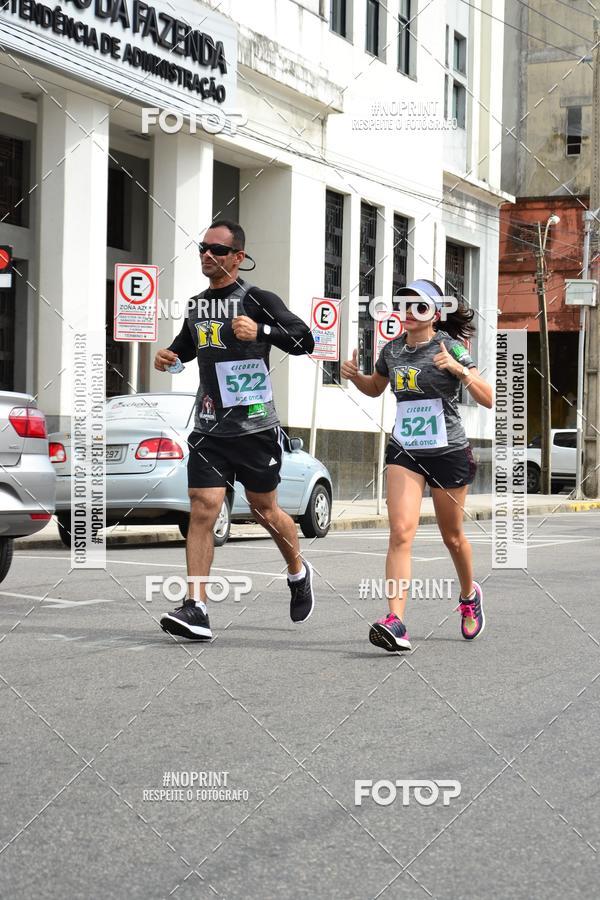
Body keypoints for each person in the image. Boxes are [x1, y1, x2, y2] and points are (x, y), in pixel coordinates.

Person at [154, 220, 316, 641]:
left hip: (254, 427)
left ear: (238, 258)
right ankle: (197, 607)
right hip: (209, 427)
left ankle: (298, 572)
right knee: (203, 507)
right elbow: (185, 350)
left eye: (217, 250)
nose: (208, 255)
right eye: (202, 248)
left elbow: (305, 340)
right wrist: (170, 356)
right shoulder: (195, 306)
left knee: (265, 510)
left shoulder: (257, 298)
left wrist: (262, 330)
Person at [341, 279, 493, 652]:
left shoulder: (451, 347)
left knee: (452, 537)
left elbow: (488, 398)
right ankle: (395, 621)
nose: (409, 313)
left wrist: (459, 370)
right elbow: (376, 387)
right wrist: (355, 376)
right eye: (404, 305)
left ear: (435, 313)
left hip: (448, 451)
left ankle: (469, 595)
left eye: (419, 306)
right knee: (400, 533)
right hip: (405, 450)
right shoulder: (391, 350)